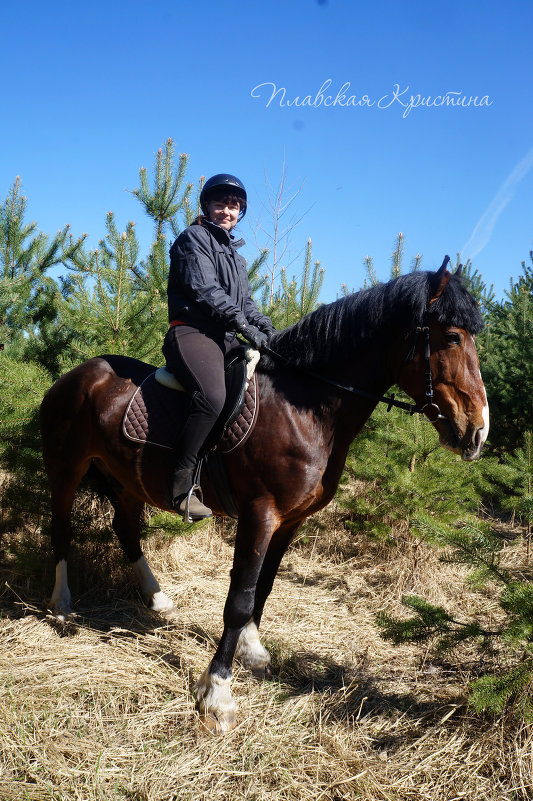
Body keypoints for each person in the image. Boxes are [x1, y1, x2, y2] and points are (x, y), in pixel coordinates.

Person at [163, 173, 275, 519]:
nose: (228, 210)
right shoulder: (193, 238)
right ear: (207, 207)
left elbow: (246, 303)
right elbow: (205, 291)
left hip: (224, 338)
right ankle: (180, 487)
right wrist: (244, 326)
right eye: (221, 204)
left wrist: (267, 329)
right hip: (192, 333)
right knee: (212, 398)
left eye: (234, 206)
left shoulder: (236, 257)